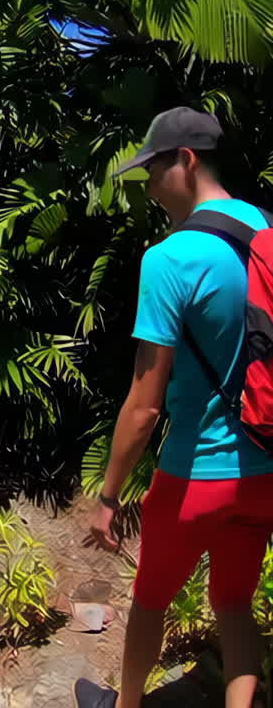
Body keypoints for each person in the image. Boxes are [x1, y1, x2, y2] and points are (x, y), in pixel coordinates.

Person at [77, 107, 273, 708]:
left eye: (154, 169)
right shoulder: (267, 230)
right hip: (265, 469)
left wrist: (109, 496)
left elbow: (144, 406)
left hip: (196, 475)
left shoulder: (171, 257)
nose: (149, 186)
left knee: (151, 600)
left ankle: (125, 705)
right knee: (234, 603)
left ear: (186, 161)